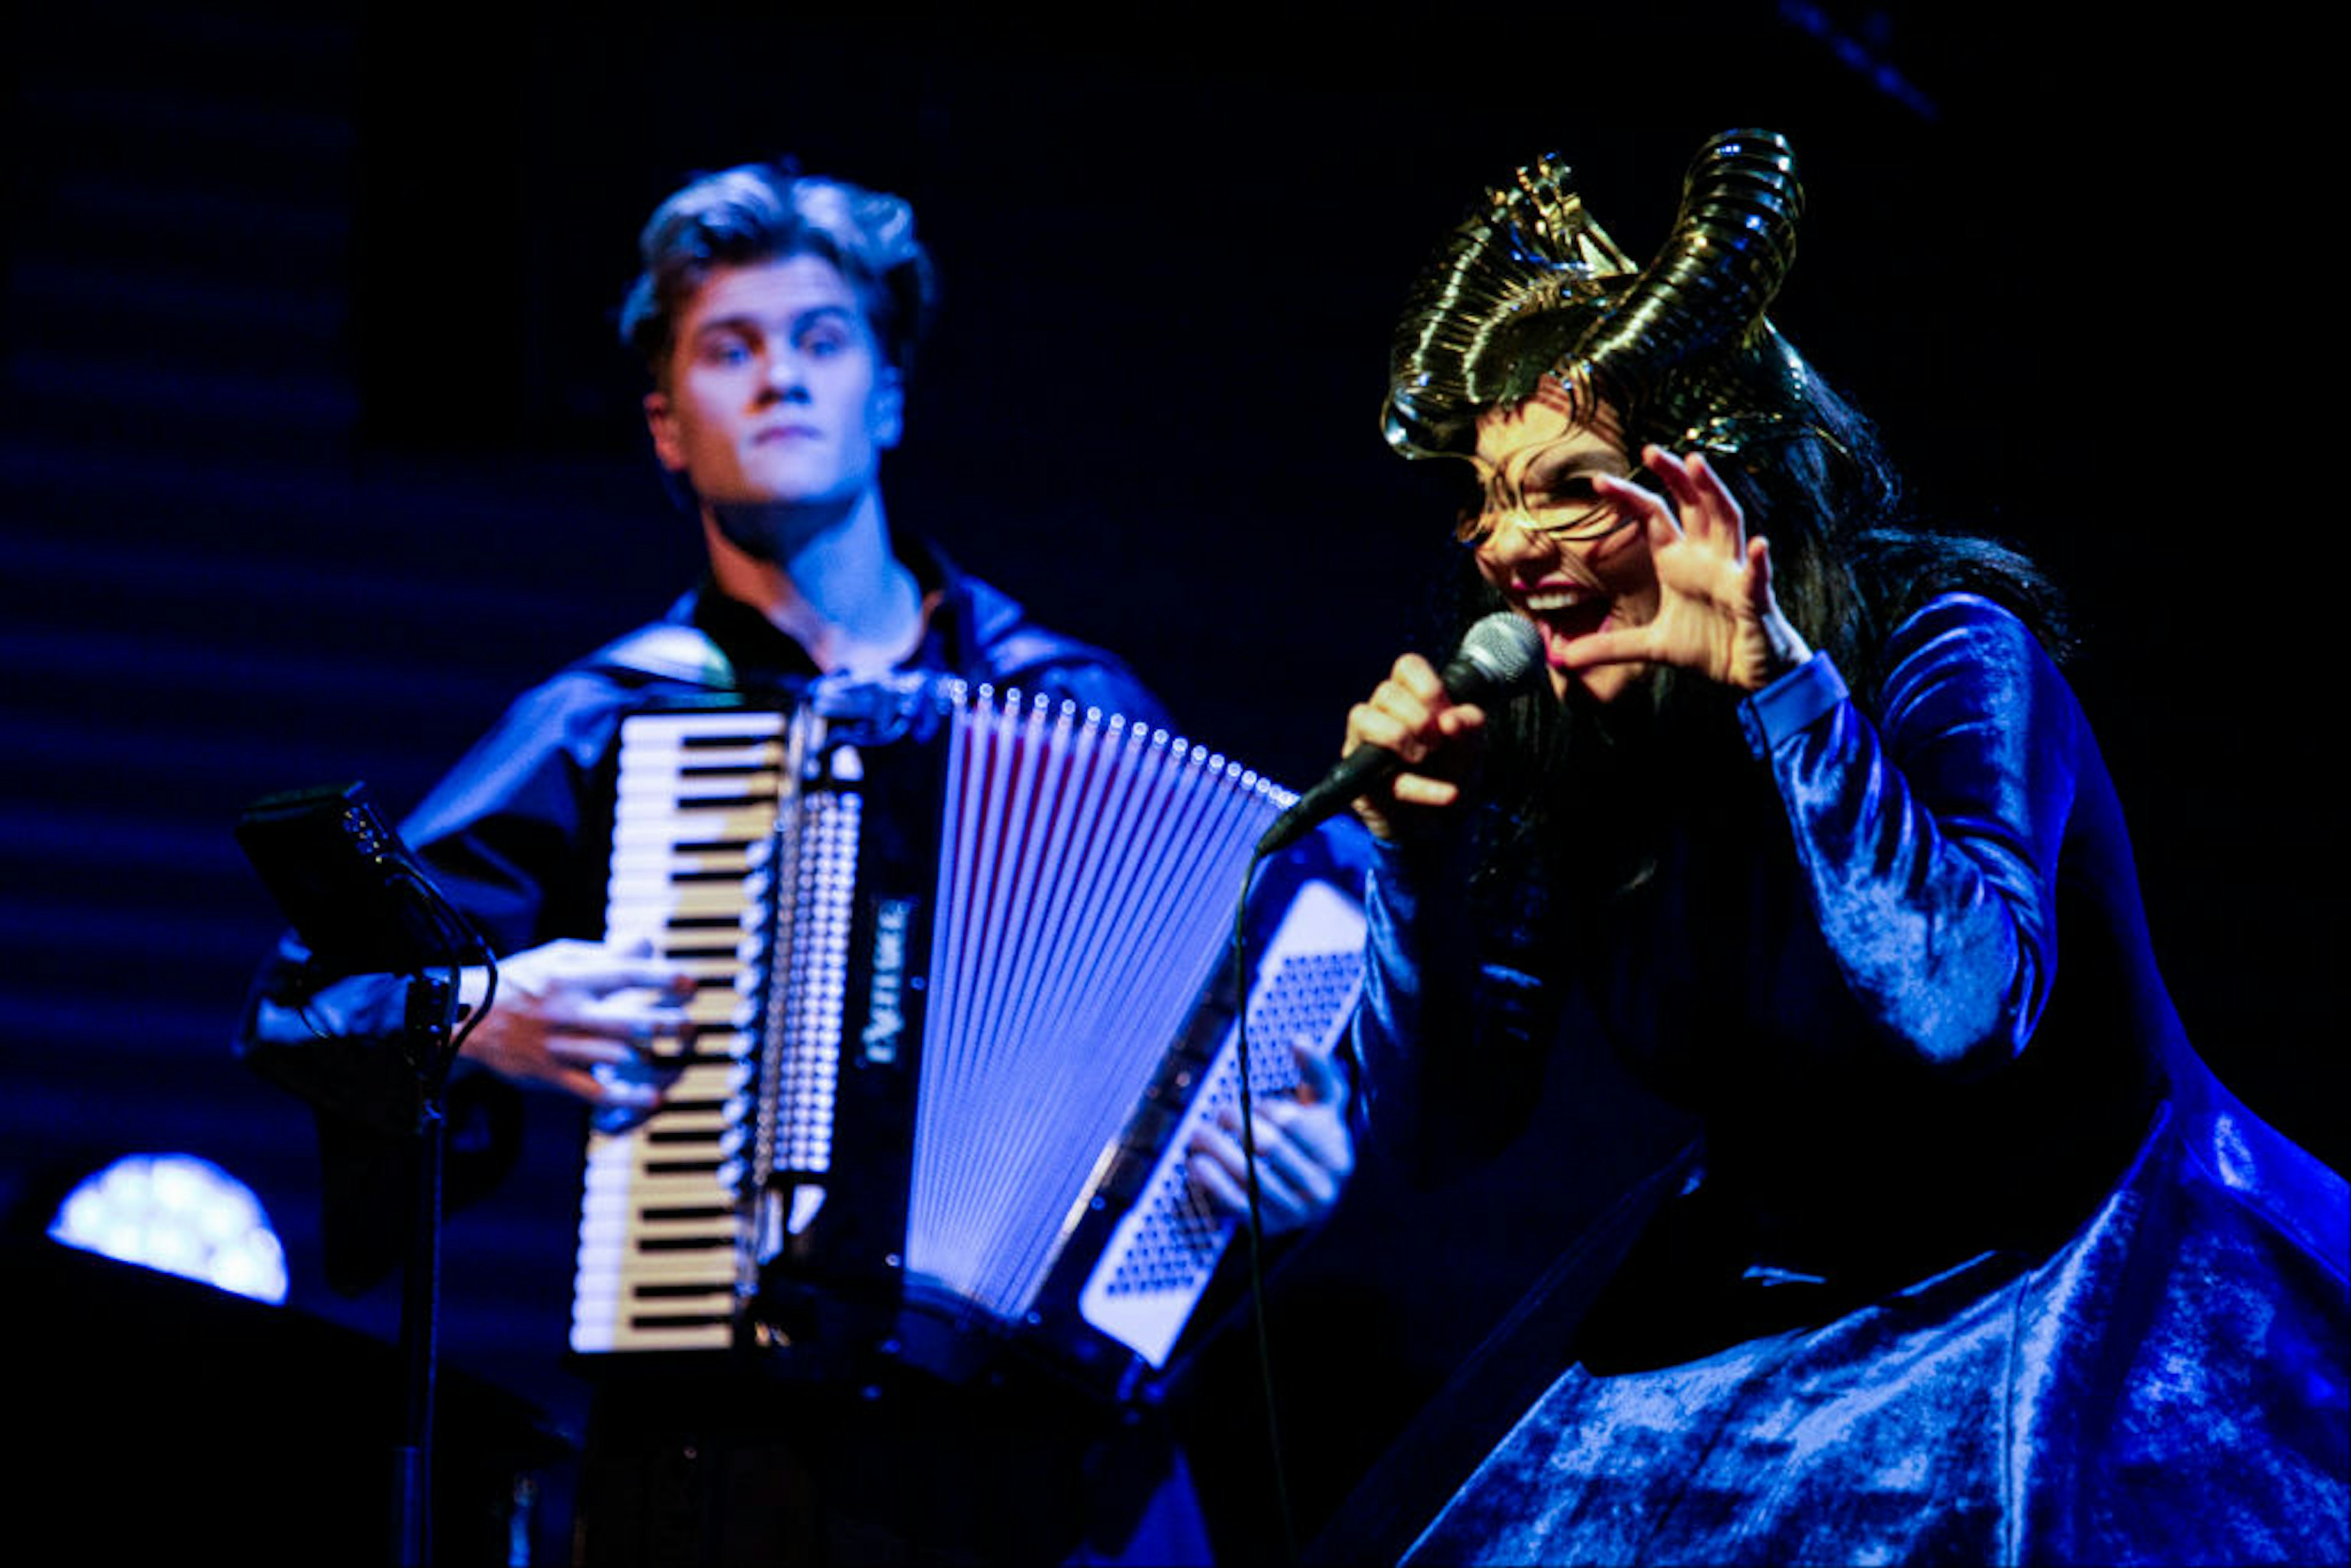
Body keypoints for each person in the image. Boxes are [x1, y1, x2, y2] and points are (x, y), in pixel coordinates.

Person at [236, 159, 1360, 1566]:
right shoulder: (613, 719)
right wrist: (479, 1017)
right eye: (730, 348)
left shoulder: (1075, 699)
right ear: (664, 425)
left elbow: (1254, 1044)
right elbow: (315, 999)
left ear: (889, 396)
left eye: (822, 341)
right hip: (728, 1473)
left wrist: (1283, 1171)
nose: (781, 378)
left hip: (1052, 1467)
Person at [1315, 129, 2348, 1565]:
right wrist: (1412, 867)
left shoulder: (1950, 656)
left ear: (1709, 484)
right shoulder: (1575, 739)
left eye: (1562, 488)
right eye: (1490, 500)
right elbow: (1440, 1130)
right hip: (1778, 1297)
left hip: (2059, 1269)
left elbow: (1959, 1010)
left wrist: (1784, 689)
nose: (1501, 545)